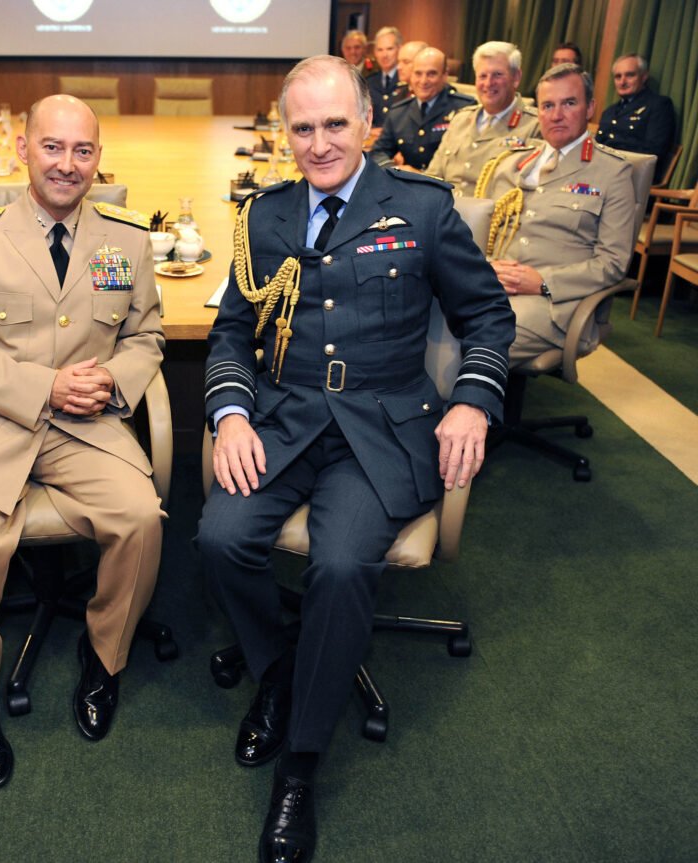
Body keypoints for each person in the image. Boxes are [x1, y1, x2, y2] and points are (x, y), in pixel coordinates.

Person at [196, 55, 514, 863]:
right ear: (284, 133)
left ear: (367, 124)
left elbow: (487, 317)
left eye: (335, 124)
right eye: (302, 128)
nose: (319, 143)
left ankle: (299, 767)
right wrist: (231, 415)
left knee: (339, 565)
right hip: (286, 418)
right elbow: (233, 330)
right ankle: (279, 669)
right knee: (219, 536)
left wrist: (473, 400)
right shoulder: (262, 217)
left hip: (381, 426)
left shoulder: (421, 208)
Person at [0, 94, 165, 790]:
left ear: (98, 158)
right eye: (52, 147)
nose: (67, 163)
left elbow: (145, 334)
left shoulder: (128, 239)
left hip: (86, 422)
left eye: (82, 150)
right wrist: (45, 386)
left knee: (141, 518)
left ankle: (104, 658)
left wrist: (114, 382)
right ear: (24, 148)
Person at [479, 64, 635, 367]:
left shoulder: (613, 172)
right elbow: (482, 228)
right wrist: (488, 266)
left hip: (552, 303)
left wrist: (544, 282)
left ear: (590, 107)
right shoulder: (513, 162)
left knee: (475, 343)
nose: (556, 115)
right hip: (492, 285)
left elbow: (613, 263)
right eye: (548, 105)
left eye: (569, 103)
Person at [426, 41, 540, 196]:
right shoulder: (460, 120)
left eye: (497, 75)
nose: (488, 83)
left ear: (516, 78)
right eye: (482, 76)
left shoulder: (535, 125)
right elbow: (433, 177)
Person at [371, 46, 475, 170]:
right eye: (418, 74)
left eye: (431, 74)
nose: (423, 81)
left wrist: (423, 176)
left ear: (445, 75)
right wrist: (395, 170)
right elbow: (377, 153)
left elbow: (467, 160)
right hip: (408, 184)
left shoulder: (464, 109)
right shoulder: (399, 111)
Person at [594, 53, 676, 180]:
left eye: (630, 75)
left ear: (644, 77)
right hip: (601, 174)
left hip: (633, 177)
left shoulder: (658, 105)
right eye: (618, 76)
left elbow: (654, 150)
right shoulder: (609, 112)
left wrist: (612, 152)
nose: (622, 82)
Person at [366, 26, 403, 125]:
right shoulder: (370, 82)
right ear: (375, 53)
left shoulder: (406, 80)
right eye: (380, 50)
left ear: (399, 49)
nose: (384, 55)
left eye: (389, 49)